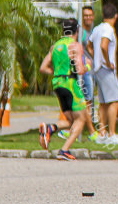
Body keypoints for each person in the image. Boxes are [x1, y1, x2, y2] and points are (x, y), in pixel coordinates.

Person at [37, 18, 91, 160]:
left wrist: (57, 73)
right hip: (70, 83)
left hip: (57, 84)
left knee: (70, 120)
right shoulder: (75, 46)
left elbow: (43, 68)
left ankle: (51, 128)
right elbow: (79, 70)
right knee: (81, 118)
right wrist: (89, 66)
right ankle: (64, 150)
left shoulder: (55, 46)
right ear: (77, 31)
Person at [90, 3, 118, 145]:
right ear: (116, 16)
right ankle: (112, 133)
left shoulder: (97, 28)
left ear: (103, 15)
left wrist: (95, 57)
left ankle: (102, 133)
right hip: (106, 69)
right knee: (115, 100)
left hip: (97, 69)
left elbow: (89, 45)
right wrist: (108, 62)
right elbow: (104, 45)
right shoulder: (109, 29)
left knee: (103, 103)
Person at [78, 6, 99, 140]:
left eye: (90, 15)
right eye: (85, 15)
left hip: (93, 71)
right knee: (87, 101)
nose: (88, 18)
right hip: (85, 72)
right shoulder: (80, 33)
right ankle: (91, 132)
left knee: (89, 101)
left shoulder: (93, 31)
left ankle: (79, 129)